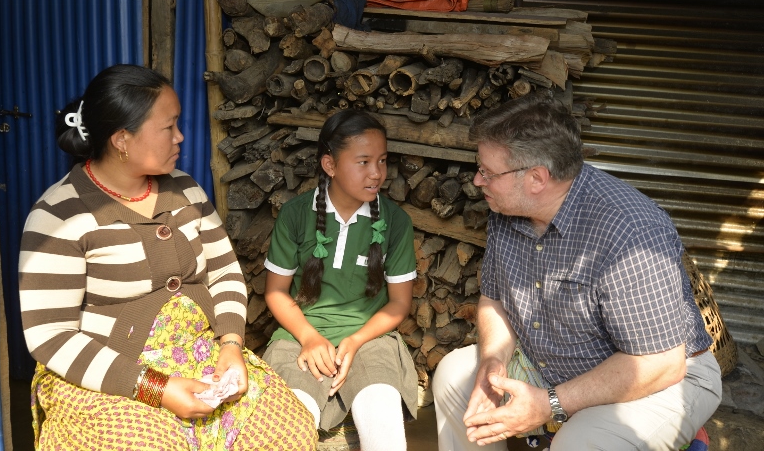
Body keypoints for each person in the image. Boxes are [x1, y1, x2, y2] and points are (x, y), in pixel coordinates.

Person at [19, 64, 317, 450]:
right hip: (107, 371)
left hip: (201, 355)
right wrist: (156, 388)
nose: (180, 137)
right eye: (168, 126)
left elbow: (225, 272)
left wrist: (229, 344)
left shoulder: (185, 190)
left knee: (288, 432)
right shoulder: (59, 215)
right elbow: (50, 335)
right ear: (122, 139)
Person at [432, 93, 722, 450]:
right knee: (453, 376)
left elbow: (662, 363)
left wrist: (548, 404)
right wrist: (493, 361)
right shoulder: (508, 208)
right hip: (556, 362)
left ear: (537, 178)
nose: (478, 181)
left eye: (488, 172)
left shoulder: (630, 230)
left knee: (578, 444)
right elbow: (495, 300)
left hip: (665, 378)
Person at [262, 109, 418, 451]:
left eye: (382, 160)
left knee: (380, 412)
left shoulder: (395, 221)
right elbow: (275, 292)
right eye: (363, 161)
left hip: (369, 338)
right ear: (330, 165)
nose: (376, 173)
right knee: (292, 419)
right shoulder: (297, 215)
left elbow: (399, 302)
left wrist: (357, 339)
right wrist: (308, 337)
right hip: (298, 335)